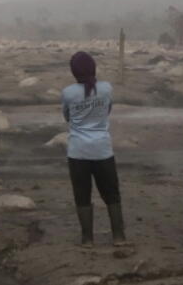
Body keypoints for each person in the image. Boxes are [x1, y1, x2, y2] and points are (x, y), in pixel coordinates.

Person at [61, 51, 129, 247]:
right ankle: (118, 236)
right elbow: (107, 110)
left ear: (74, 71)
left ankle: (87, 238)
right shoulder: (106, 88)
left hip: (78, 151)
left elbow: (67, 117)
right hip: (102, 150)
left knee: (82, 194)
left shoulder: (68, 92)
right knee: (112, 193)